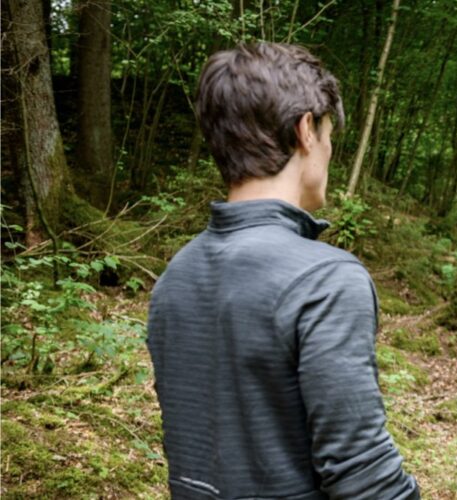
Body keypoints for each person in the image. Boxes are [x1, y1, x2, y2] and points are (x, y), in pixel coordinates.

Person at [147, 43, 419, 500]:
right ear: (306, 130)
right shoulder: (326, 280)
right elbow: (363, 477)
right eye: (329, 133)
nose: (330, 150)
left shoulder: (176, 275)